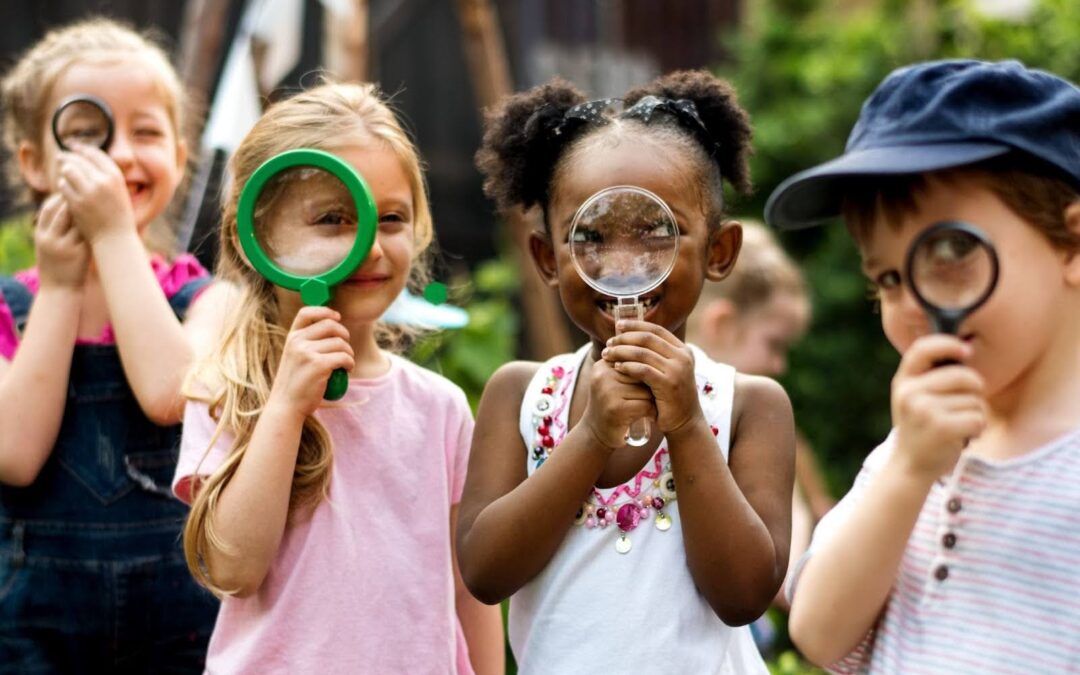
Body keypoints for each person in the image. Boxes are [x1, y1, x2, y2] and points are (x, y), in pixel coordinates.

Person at [458, 70, 796, 673]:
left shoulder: (749, 406)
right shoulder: (520, 395)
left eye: (653, 233)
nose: (621, 266)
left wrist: (690, 423)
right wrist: (590, 437)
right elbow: (485, 573)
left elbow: (744, 596)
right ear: (546, 259)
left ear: (719, 253)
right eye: (589, 238)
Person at [173, 81, 504, 674]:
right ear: (255, 240)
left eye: (394, 218)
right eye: (332, 219)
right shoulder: (227, 392)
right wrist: (285, 409)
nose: (371, 248)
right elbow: (232, 570)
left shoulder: (441, 408)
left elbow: (467, 588)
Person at [765, 59, 1080, 672]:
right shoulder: (911, 450)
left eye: (952, 251)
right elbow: (819, 633)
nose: (912, 305)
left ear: (1074, 244)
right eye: (885, 277)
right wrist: (909, 469)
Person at [0, 18, 224, 671]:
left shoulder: (205, 298)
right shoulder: (10, 308)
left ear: (181, 159)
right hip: (31, 629)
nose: (120, 154)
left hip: (182, 624)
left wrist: (115, 238)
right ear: (35, 164)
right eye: (88, 132)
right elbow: (13, 455)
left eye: (147, 132)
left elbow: (171, 394)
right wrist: (63, 284)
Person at [686, 220, 833, 648]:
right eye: (774, 344)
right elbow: (785, 582)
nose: (779, 365)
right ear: (722, 323)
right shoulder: (730, 434)